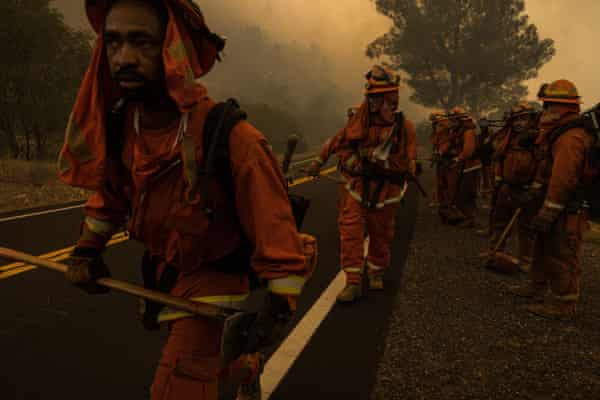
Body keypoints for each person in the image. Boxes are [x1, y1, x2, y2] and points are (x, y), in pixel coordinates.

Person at [57, 1, 311, 398]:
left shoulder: (233, 140)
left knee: (178, 385)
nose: (124, 58)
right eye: (114, 43)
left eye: (142, 42)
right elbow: (110, 197)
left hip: (217, 279)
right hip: (167, 273)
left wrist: (276, 310)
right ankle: (243, 368)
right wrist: (87, 251)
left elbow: (277, 233)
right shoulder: (123, 125)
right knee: (206, 365)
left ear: (175, 49)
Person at [307, 65, 417, 303]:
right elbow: (339, 140)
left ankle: (376, 271)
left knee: (382, 233)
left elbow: (409, 159)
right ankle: (353, 282)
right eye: (379, 97)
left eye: (389, 97)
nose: (387, 102)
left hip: (387, 191)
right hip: (357, 187)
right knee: (351, 232)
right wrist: (321, 162)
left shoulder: (403, 128)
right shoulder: (360, 120)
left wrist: (399, 165)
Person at [509, 80, 596, 320]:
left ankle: (563, 303)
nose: (544, 112)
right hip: (552, 203)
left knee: (562, 253)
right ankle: (536, 288)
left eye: (547, 106)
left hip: (568, 209)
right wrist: (535, 192)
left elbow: (563, 180)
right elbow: (547, 169)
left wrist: (549, 210)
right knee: (542, 247)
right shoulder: (557, 133)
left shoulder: (572, 138)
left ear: (561, 108)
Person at [487, 102, 542, 271]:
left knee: (526, 227)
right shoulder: (508, 138)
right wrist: (498, 177)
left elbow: (543, 164)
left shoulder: (538, 139)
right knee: (499, 221)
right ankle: (495, 252)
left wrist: (534, 187)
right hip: (507, 186)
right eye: (516, 119)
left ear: (530, 119)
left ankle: (525, 261)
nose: (519, 123)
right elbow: (499, 157)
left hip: (526, 190)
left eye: (523, 119)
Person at [437, 107, 481, 227]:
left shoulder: (468, 132)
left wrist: (457, 158)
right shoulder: (457, 132)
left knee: (466, 194)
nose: (452, 123)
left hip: (471, 167)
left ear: (461, 121)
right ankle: (463, 216)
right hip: (462, 167)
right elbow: (449, 143)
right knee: (459, 193)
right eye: (451, 121)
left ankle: (472, 219)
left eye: (454, 121)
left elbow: (468, 151)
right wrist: (441, 152)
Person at [428, 111, 449, 208]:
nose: (434, 125)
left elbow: (446, 144)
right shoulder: (437, 131)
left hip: (446, 159)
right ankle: (438, 200)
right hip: (440, 158)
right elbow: (434, 142)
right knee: (438, 181)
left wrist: (440, 152)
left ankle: (443, 200)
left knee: (444, 181)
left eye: (435, 122)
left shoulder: (445, 130)